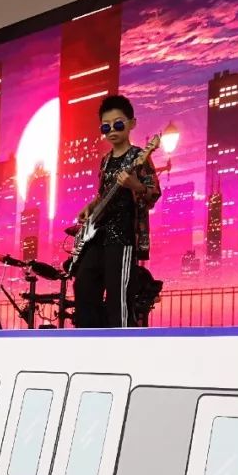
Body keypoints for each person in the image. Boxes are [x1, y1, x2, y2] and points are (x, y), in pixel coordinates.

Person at [73, 95, 161, 328]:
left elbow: (153, 193)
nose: (112, 130)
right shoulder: (105, 161)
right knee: (84, 286)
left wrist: (135, 185)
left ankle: (122, 343)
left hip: (123, 237)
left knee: (118, 298)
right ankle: (88, 339)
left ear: (132, 124)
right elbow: (103, 194)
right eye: (106, 126)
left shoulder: (139, 157)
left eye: (118, 124)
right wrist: (91, 206)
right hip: (98, 236)